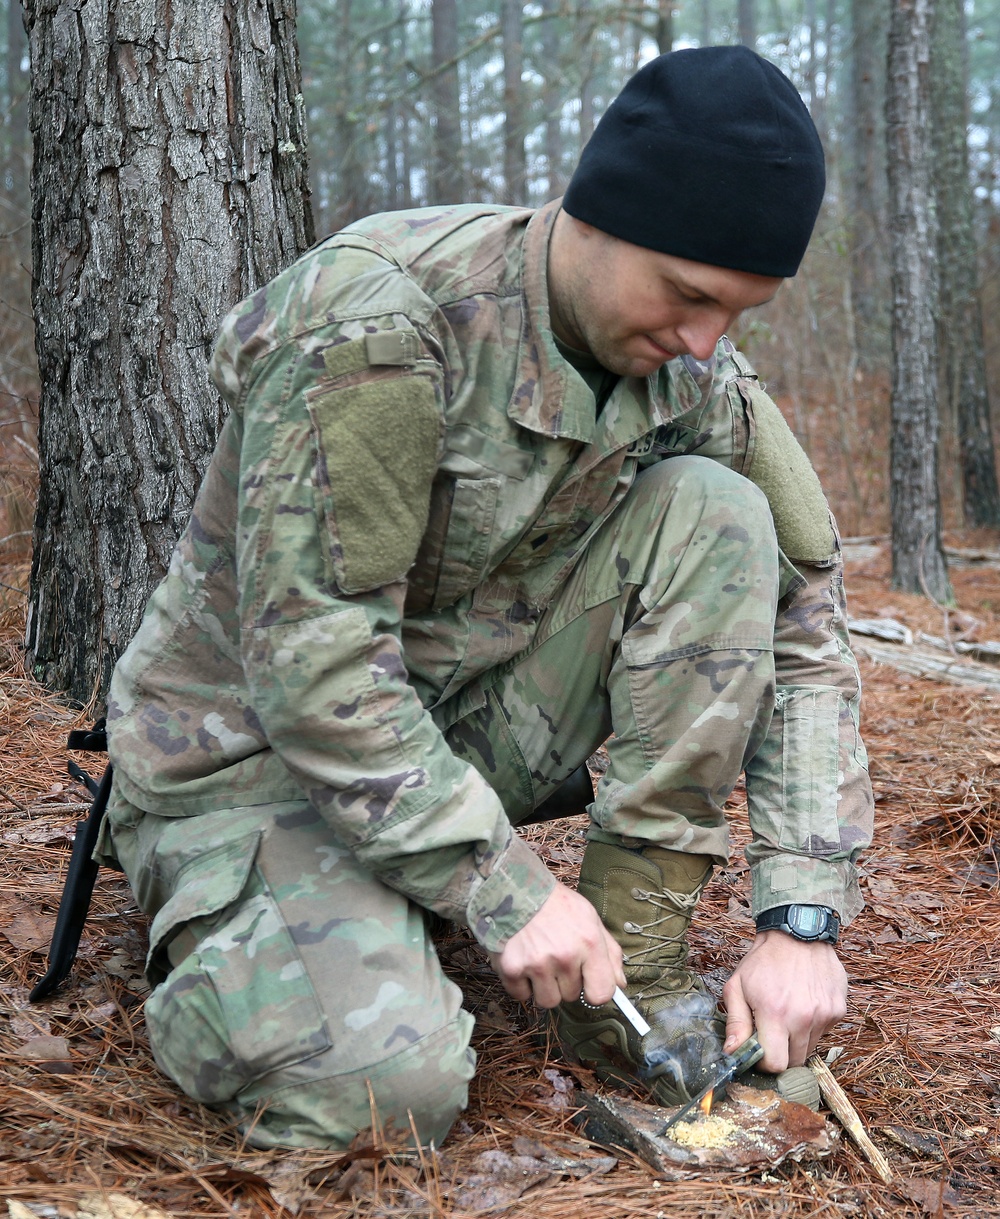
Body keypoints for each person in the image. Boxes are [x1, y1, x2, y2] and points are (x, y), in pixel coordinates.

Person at [101, 45, 873, 1150]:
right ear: (593, 216)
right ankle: (241, 940)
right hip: (248, 760)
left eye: (737, 314)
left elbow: (804, 628)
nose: (706, 343)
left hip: (443, 741)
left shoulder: (687, 374)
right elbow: (313, 671)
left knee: (718, 512)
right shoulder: (377, 328)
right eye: (690, 296)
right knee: (385, 1096)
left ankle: (623, 988)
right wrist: (503, 888)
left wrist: (801, 919)